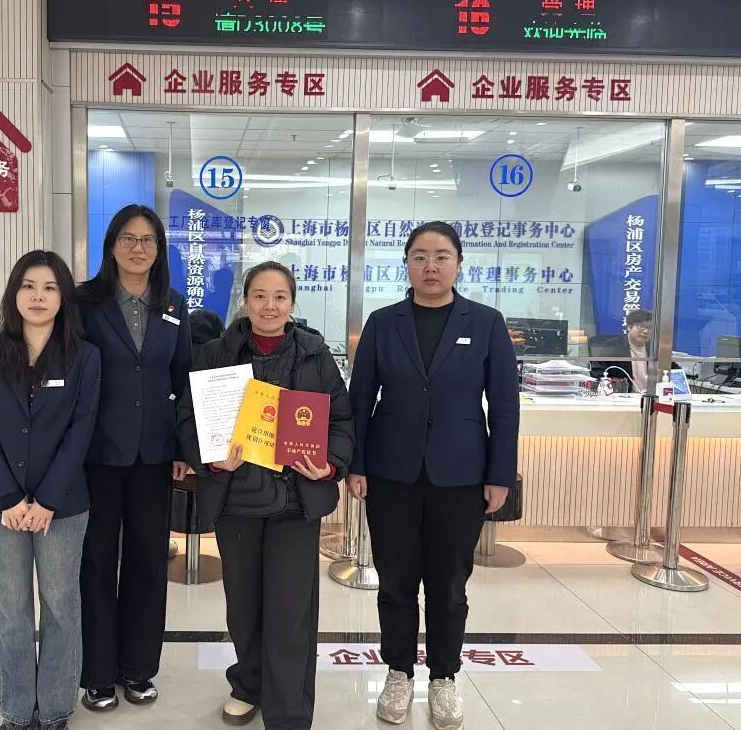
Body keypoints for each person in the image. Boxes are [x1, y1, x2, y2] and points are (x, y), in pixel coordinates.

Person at [347, 221, 520, 730]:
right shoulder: (383, 322)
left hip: (461, 475)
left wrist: (500, 474)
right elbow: (360, 399)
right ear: (406, 263)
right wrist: (356, 464)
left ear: (458, 263)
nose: (430, 266)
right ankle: (398, 672)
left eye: (441, 256)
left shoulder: (486, 322)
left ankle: (444, 676)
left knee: (449, 585)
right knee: (395, 582)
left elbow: (504, 405)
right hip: (391, 472)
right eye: (419, 256)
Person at [177, 261, 354, 729]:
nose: (269, 306)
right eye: (259, 296)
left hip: (296, 501)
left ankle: (289, 709)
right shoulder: (215, 354)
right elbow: (188, 419)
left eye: (279, 297)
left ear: (292, 303)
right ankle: (248, 685)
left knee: (291, 611)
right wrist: (212, 458)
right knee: (244, 607)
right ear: (246, 301)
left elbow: (341, 422)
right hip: (236, 500)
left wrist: (329, 465)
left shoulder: (315, 355)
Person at [0, 250, 101, 730]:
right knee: (10, 611)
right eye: (28, 286)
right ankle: (17, 710)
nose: (38, 296)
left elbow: (81, 431)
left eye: (49, 287)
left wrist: (46, 500)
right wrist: (9, 497)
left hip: (62, 506)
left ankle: (57, 707)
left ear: (63, 297)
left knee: (61, 607)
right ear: (14, 294)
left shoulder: (85, 356)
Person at [77, 204, 192, 712]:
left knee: (148, 562)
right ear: (112, 246)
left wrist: (184, 448)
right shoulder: (85, 302)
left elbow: (182, 378)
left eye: (148, 240)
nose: (138, 248)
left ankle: (138, 667)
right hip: (98, 453)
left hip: (154, 454)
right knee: (97, 561)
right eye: (128, 238)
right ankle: (99, 673)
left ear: (159, 250)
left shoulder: (174, 305)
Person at [589, 308, 652, 392]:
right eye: (641, 326)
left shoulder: (655, 349)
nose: (646, 331)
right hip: (622, 397)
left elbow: (668, 373)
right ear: (629, 327)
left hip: (651, 396)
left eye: (650, 327)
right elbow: (597, 375)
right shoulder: (611, 347)